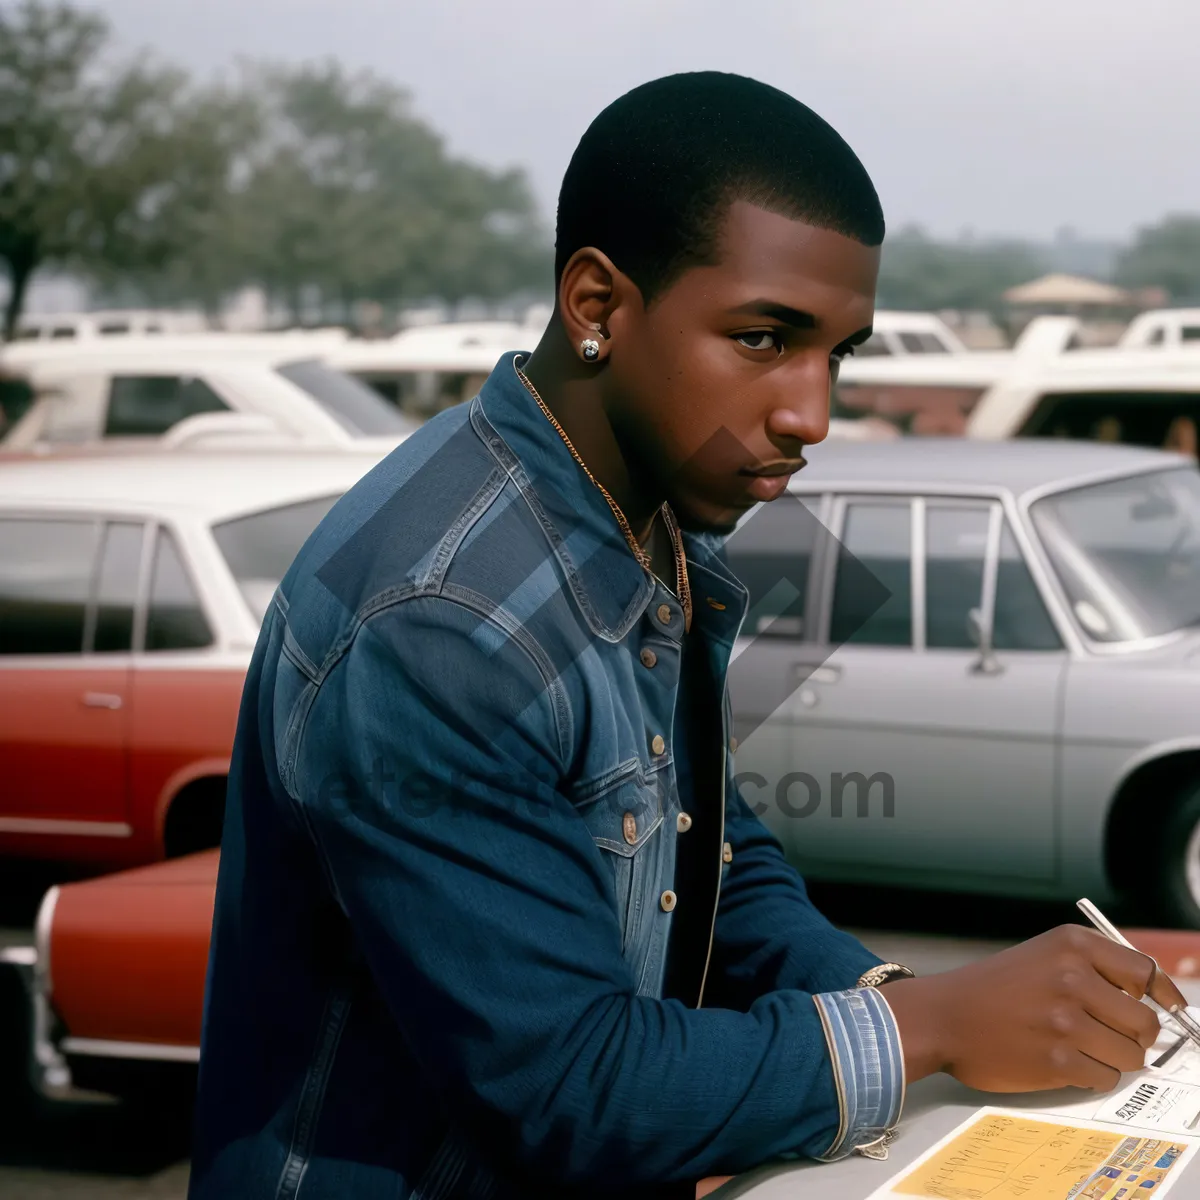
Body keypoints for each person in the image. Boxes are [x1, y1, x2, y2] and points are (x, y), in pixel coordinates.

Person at [189, 72, 1185, 1200]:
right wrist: (934, 1026)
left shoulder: (636, 508)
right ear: (600, 307)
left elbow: (702, 848)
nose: (811, 413)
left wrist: (891, 993)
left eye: (838, 354)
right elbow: (571, 1088)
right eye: (764, 338)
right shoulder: (442, 623)